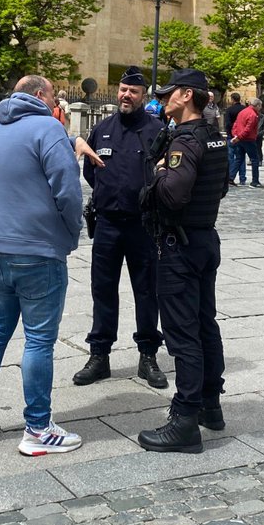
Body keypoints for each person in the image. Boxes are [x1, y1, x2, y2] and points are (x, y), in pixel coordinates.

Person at [0, 74, 84, 455]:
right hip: (37, 249)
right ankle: (37, 428)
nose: (57, 102)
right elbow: (67, 185)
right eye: (53, 95)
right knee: (39, 340)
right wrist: (72, 230)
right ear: (39, 95)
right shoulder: (47, 127)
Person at [137, 68, 228, 454]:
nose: (164, 99)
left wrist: (157, 175)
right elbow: (221, 186)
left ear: (187, 95)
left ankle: (185, 419)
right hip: (205, 238)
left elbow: (172, 195)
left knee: (182, 333)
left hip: (179, 246)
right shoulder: (214, 138)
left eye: (170, 93)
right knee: (206, 323)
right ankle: (211, 403)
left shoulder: (185, 141)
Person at [73, 67, 168, 390]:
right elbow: (91, 172)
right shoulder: (102, 129)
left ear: (144, 97)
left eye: (133, 92)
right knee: (103, 290)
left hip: (142, 226)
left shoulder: (156, 129)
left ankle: (148, 355)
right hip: (108, 225)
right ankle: (99, 355)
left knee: (146, 291)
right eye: (123, 90)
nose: (126, 95)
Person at [229, 97, 263, 188]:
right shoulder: (253, 115)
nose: (260, 108)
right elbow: (248, 129)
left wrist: (235, 135)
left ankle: (230, 178)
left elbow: (235, 124)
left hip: (240, 139)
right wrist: (239, 137)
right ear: (257, 105)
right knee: (255, 160)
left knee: (239, 159)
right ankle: (255, 181)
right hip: (248, 139)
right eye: (260, 106)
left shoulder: (242, 112)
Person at [224, 91, 246, 186]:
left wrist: (230, 132)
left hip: (232, 136)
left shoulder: (229, 110)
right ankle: (242, 178)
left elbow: (228, 124)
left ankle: (230, 176)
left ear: (232, 99)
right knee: (241, 157)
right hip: (241, 136)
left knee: (231, 157)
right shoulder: (244, 109)